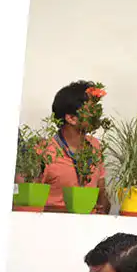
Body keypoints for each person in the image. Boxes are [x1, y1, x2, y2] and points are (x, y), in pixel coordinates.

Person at [40, 80, 110, 214]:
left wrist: (103, 206)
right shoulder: (45, 151)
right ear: (71, 118)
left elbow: (101, 193)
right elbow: (29, 204)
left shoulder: (95, 145)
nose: (97, 115)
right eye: (91, 110)